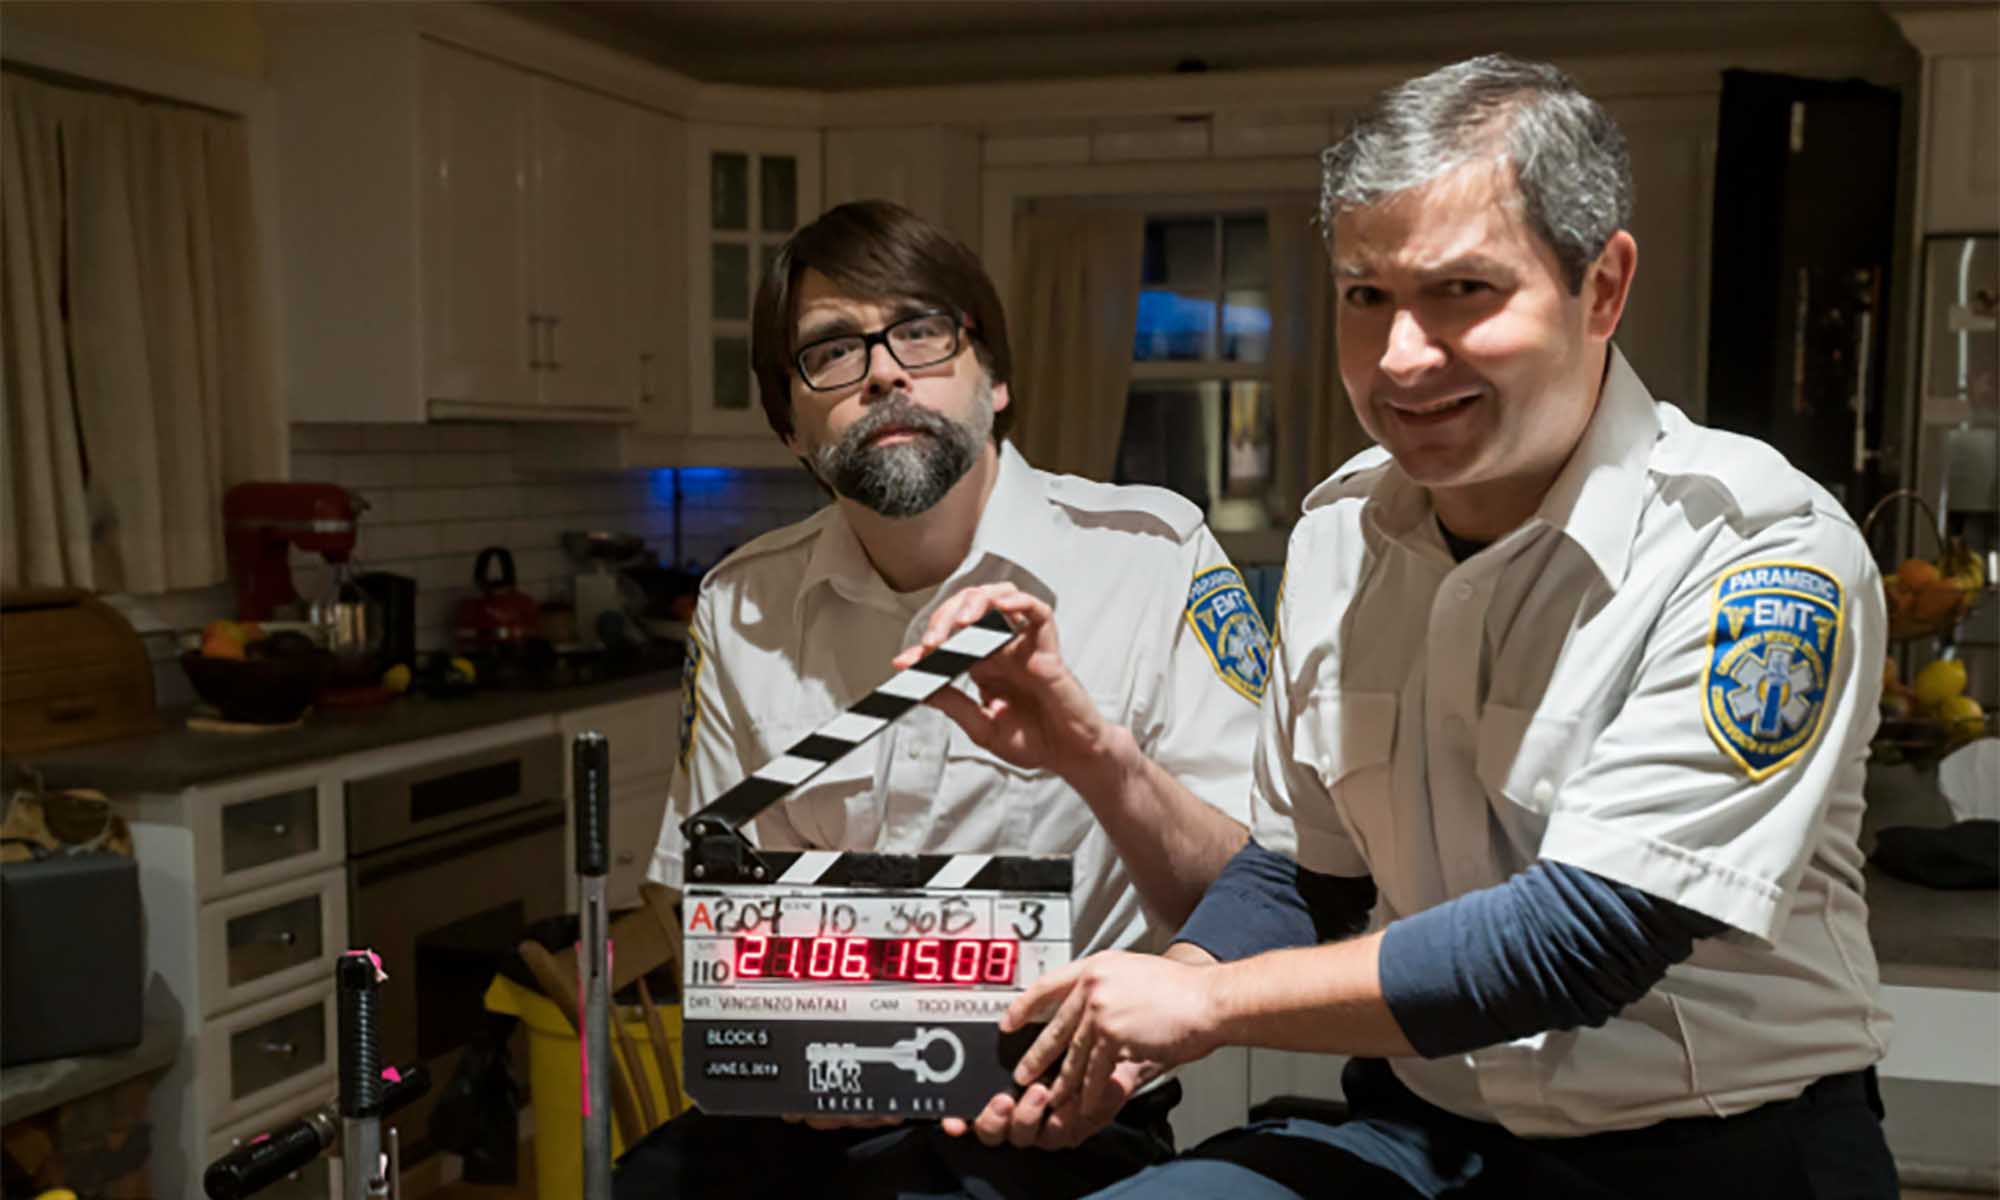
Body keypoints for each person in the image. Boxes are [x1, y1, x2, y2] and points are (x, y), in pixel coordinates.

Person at [902, 54, 1896, 1198]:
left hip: (1720, 1154)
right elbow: (1299, 873)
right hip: (1422, 1133)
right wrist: (1149, 1000)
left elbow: (1582, 938)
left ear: (1601, 287)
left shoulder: (1757, 550)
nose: (1399, 359)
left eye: (1462, 292)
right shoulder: (1336, 535)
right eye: (1365, 296)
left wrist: (1204, 1004)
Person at [619, 200, 1268, 1199]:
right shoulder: (739, 606)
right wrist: (786, 1025)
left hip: (1058, 1116)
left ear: (994, 377)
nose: (883, 371)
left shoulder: (1152, 558)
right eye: (829, 352)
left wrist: (1096, 753)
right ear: (788, 426)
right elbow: (718, 908)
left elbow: (1252, 891)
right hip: (816, 1112)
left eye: (919, 332)